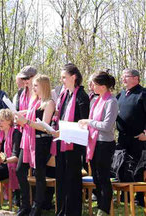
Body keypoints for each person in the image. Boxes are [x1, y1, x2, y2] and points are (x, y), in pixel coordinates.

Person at [50, 63, 90, 216]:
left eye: (64, 77)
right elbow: (59, 116)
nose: (62, 81)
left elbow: (83, 122)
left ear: (74, 77)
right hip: (61, 142)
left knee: (72, 180)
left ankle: (72, 212)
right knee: (61, 179)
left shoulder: (82, 96)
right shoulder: (64, 95)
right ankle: (61, 211)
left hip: (74, 144)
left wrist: (67, 130)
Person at [78, 71, 118, 215]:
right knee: (95, 177)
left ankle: (104, 209)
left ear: (102, 86)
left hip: (104, 144)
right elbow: (94, 123)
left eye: (94, 84)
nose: (91, 87)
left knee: (103, 177)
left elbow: (107, 126)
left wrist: (89, 122)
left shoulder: (111, 101)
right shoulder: (96, 100)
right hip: (93, 143)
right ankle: (101, 205)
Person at [15, 75, 55, 216]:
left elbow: (45, 126)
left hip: (40, 141)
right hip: (27, 140)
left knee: (39, 175)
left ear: (43, 86)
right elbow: (27, 114)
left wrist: (26, 122)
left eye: (36, 85)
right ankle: (25, 204)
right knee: (20, 170)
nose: (33, 88)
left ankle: (37, 207)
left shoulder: (49, 102)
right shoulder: (34, 101)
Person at [116, 68, 146, 206]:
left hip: (139, 138)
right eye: (123, 76)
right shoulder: (121, 95)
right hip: (123, 138)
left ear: (136, 78)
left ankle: (140, 198)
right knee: (122, 166)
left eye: (126, 76)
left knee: (138, 168)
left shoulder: (143, 94)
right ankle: (125, 196)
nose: (123, 79)